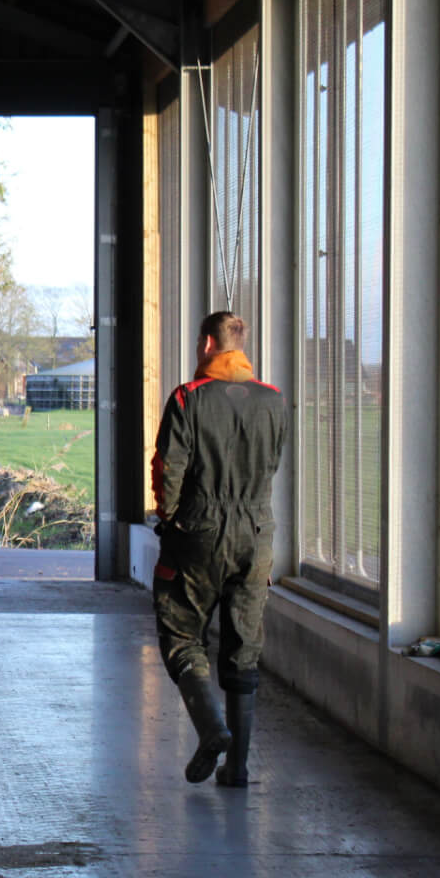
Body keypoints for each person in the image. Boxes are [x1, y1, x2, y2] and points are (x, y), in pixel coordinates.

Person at [151, 311, 287, 787]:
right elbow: (272, 463)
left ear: (208, 344)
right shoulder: (274, 399)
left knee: (182, 632)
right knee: (243, 645)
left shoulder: (187, 398)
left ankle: (211, 729)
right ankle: (239, 769)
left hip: (200, 529)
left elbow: (168, 467)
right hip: (257, 531)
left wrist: (170, 517)